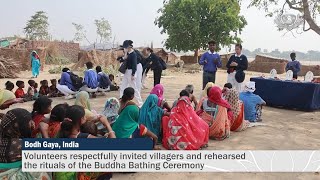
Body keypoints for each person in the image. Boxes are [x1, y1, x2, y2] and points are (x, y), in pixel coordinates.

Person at [0, 109, 51, 179]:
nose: (33, 124)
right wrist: (44, 132)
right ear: (22, 126)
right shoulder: (22, 145)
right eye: (29, 123)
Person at [118, 40, 143, 107]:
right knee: (123, 86)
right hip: (127, 72)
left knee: (134, 88)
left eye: (126, 47)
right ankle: (121, 99)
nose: (125, 48)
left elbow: (134, 65)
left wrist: (133, 74)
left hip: (131, 72)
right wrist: (125, 53)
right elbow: (124, 59)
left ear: (129, 47)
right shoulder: (128, 54)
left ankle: (140, 103)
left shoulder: (133, 54)